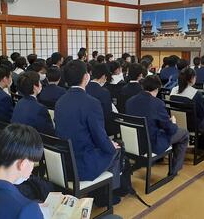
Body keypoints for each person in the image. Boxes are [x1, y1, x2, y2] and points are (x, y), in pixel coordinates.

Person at [55, 60, 121, 195]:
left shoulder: (60, 101)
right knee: (117, 149)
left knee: (111, 146)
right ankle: (107, 197)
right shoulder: (92, 103)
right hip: (83, 164)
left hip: (63, 162)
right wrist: (111, 146)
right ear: (86, 77)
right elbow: (99, 136)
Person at [126, 76, 189, 175]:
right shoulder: (157, 103)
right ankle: (174, 170)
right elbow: (170, 129)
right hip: (151, 143)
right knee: (184, 134)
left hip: (134, 141)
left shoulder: (130, 101)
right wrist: (172, 123)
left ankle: (158, 159)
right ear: (157, 89)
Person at [170, 68, 204, 149]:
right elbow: (202, 113)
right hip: (192, 126)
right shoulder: (196, 93)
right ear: (191, 79)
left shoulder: (173, 90)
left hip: (175, 122)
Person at [86, 63, 114, 136]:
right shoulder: (104, 92)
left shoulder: (84, 87)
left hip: (86, 126)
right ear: (104, 76)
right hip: (100, 128)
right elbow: (107, 114)